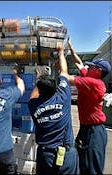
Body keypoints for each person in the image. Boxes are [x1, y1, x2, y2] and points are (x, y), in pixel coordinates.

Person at [28, 42, 79, 175]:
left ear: (39, 89)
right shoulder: (63, 97)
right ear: (55, 89)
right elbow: (64, 72)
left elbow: (33, 96)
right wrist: (61, 52)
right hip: (66, 155)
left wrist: (39, 78)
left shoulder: (34, 106)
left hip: (46, 156)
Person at [67, 40, 111, 174]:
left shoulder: (94, 83)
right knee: (82, 163)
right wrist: (71, 49)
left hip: (94, 131)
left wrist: (60, 58)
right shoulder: (90, 76)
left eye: (91, 67)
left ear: (98, 71)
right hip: (86, 128)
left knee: (93, 168)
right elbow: (79, 63)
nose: (88, 68)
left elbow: (66, 78)